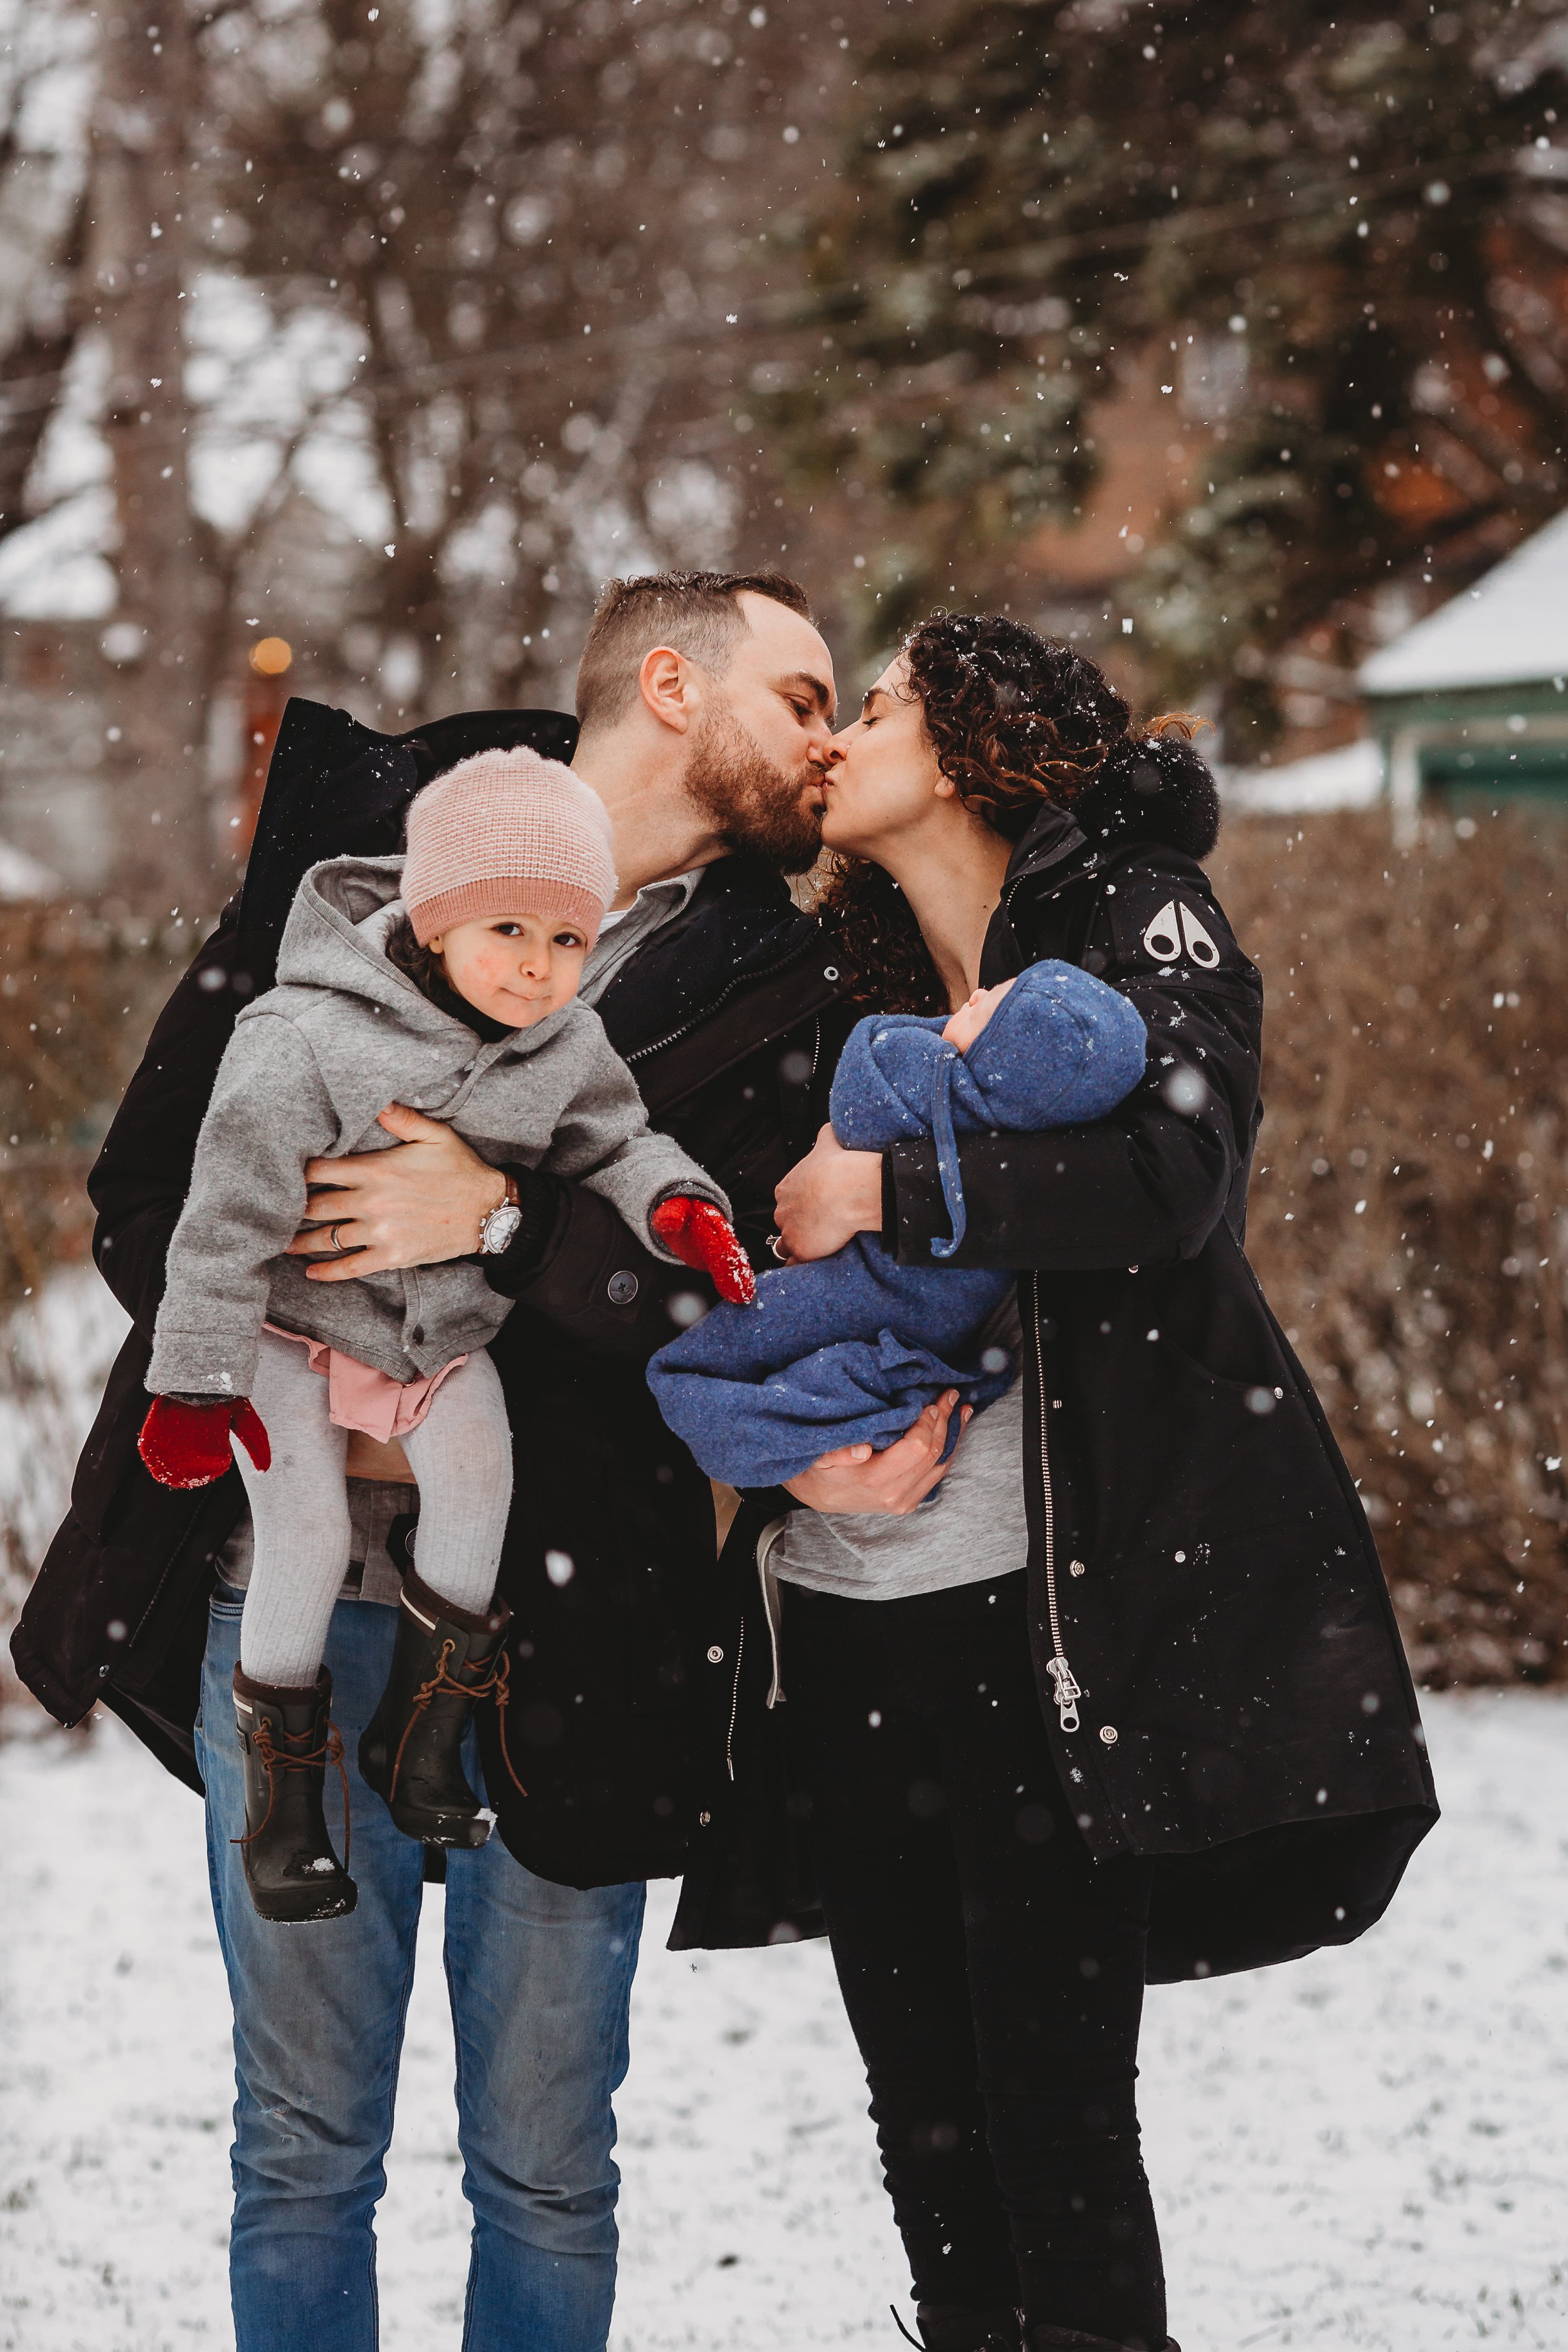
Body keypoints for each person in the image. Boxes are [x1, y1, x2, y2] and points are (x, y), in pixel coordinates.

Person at [16, 569, 938, 2351]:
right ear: (672, 682)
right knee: (299, 2148)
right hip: (274, 1600)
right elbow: (148, 1191)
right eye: (804, 690)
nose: (828, 737)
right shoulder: (365, 858)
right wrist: (313, 1299)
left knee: (546, 2163)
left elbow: (720, 1295)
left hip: (572, 1619)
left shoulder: (782, 980)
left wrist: (499, 1224)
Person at [668, 613, 1439, 2352]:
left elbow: (1170, 1173)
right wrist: (792, 1439)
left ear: (961, 742)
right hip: (846, 1619)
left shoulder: (1135, 914)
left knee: (1054, 2106)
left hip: (1052, 1620)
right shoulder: (839, 974)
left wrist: (897, 1195)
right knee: (921, 2107)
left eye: (870, 707)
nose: (837, 736)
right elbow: (718, 1235)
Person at [137, 748, 750, 1920]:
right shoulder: (301, 1035)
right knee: (305, 1534)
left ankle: (418, 1745)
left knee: (481, 1484)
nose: (540, 965)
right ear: (435, 918)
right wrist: (197, 1384)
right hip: (287, 1336)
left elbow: (616, 1143)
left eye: (569, 941)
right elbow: (221, 1226)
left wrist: (682, 1209)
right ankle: (285, 1807)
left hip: (434, 1341)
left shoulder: (565, 1045)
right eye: (509, 930)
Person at [645, 961, 1147, 1488]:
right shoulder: (1031, 1149)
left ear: (1005, 1065)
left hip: (886, 1295)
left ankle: (754, 1425)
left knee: (718, 1350)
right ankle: (782, 1426)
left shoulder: (926, 1092)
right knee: (766, 1359)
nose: (973, 997)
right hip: (927, 1321)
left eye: (992, 1005)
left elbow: (859, 1098)